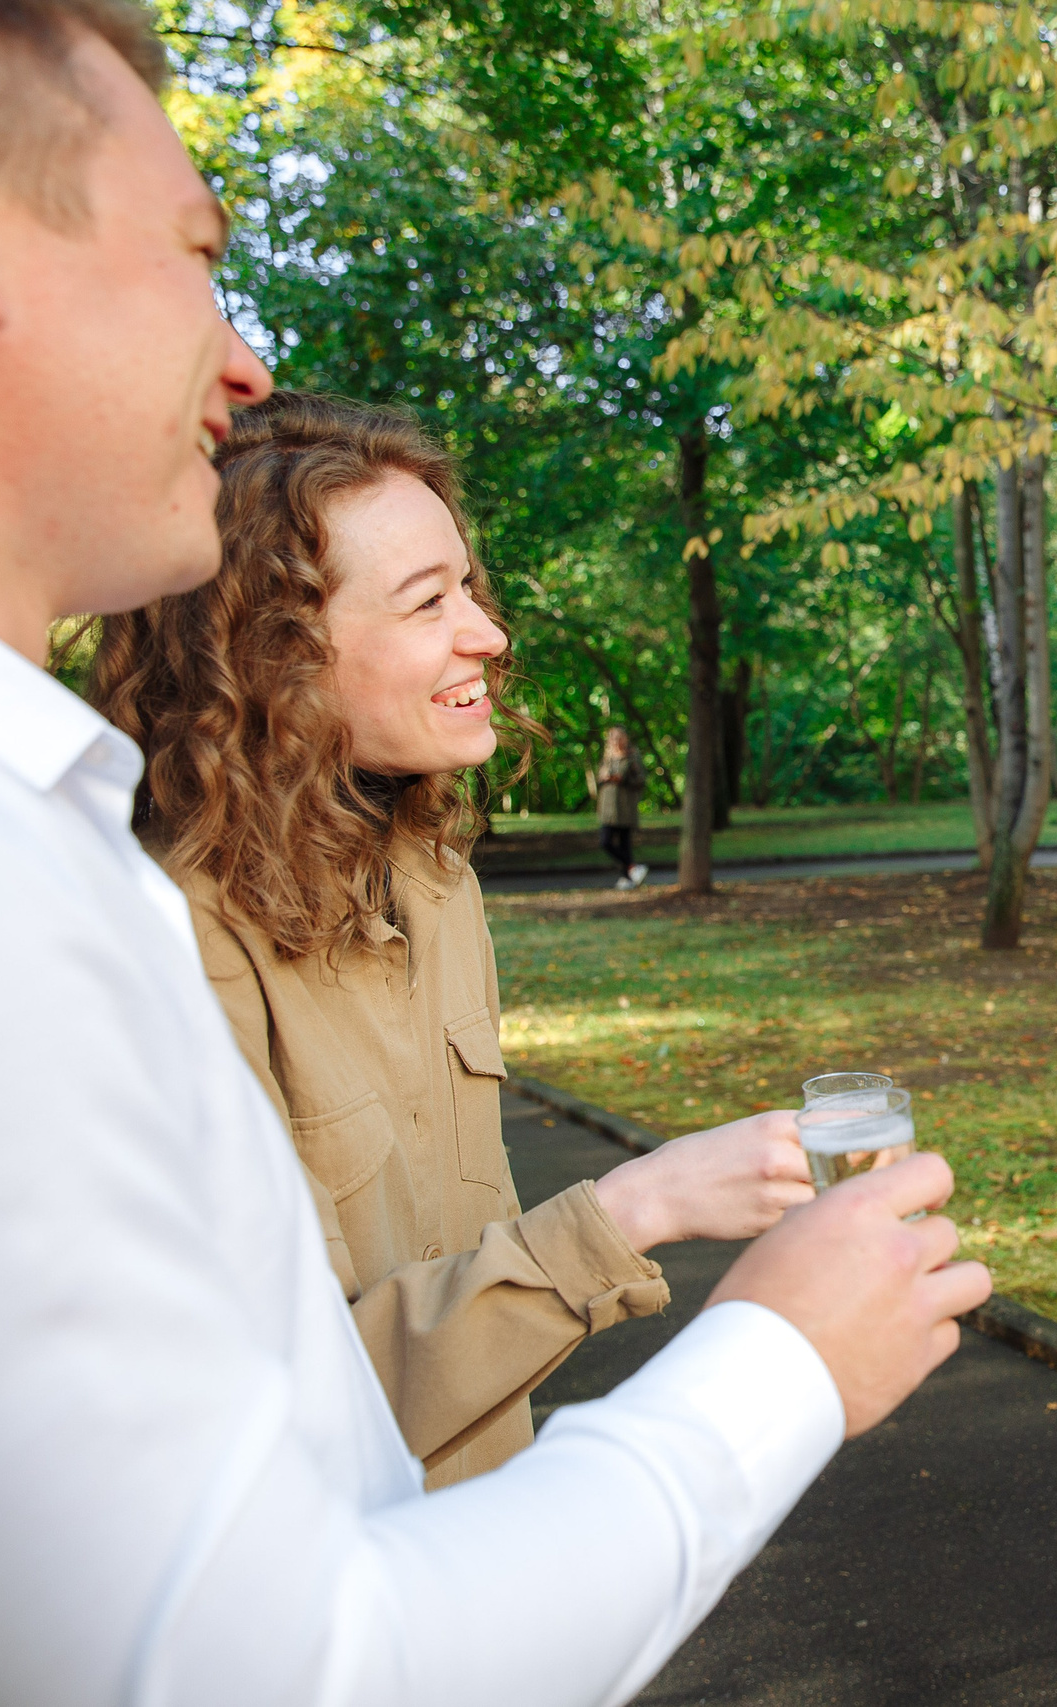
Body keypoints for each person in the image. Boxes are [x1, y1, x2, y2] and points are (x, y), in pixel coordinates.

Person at [0, 4, 987, 1701]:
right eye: (196, 251)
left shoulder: (108, 839)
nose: (244, 357)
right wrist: (774, 1352)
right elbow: (256, 1650)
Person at [91, 392, 820, 1488]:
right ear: (274, 657)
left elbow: (457, 1265)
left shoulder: (434, 882)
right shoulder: (161, 949)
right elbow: (290, 1413)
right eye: (429, 602)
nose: (489, 631)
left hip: (475, 1548)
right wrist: (641, 1207)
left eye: (467, 587)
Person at [597, 726, 649, 888]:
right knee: (606, 841)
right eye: (612, 738)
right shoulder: (607, 758)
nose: (615, 741)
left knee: (624, 842)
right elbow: (599, 778)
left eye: (618, 738)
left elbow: (641, 779)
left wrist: (624, 780)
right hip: (608, 806)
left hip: (625, 806)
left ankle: (628, 877)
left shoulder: (632, 756)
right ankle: (633, 869)